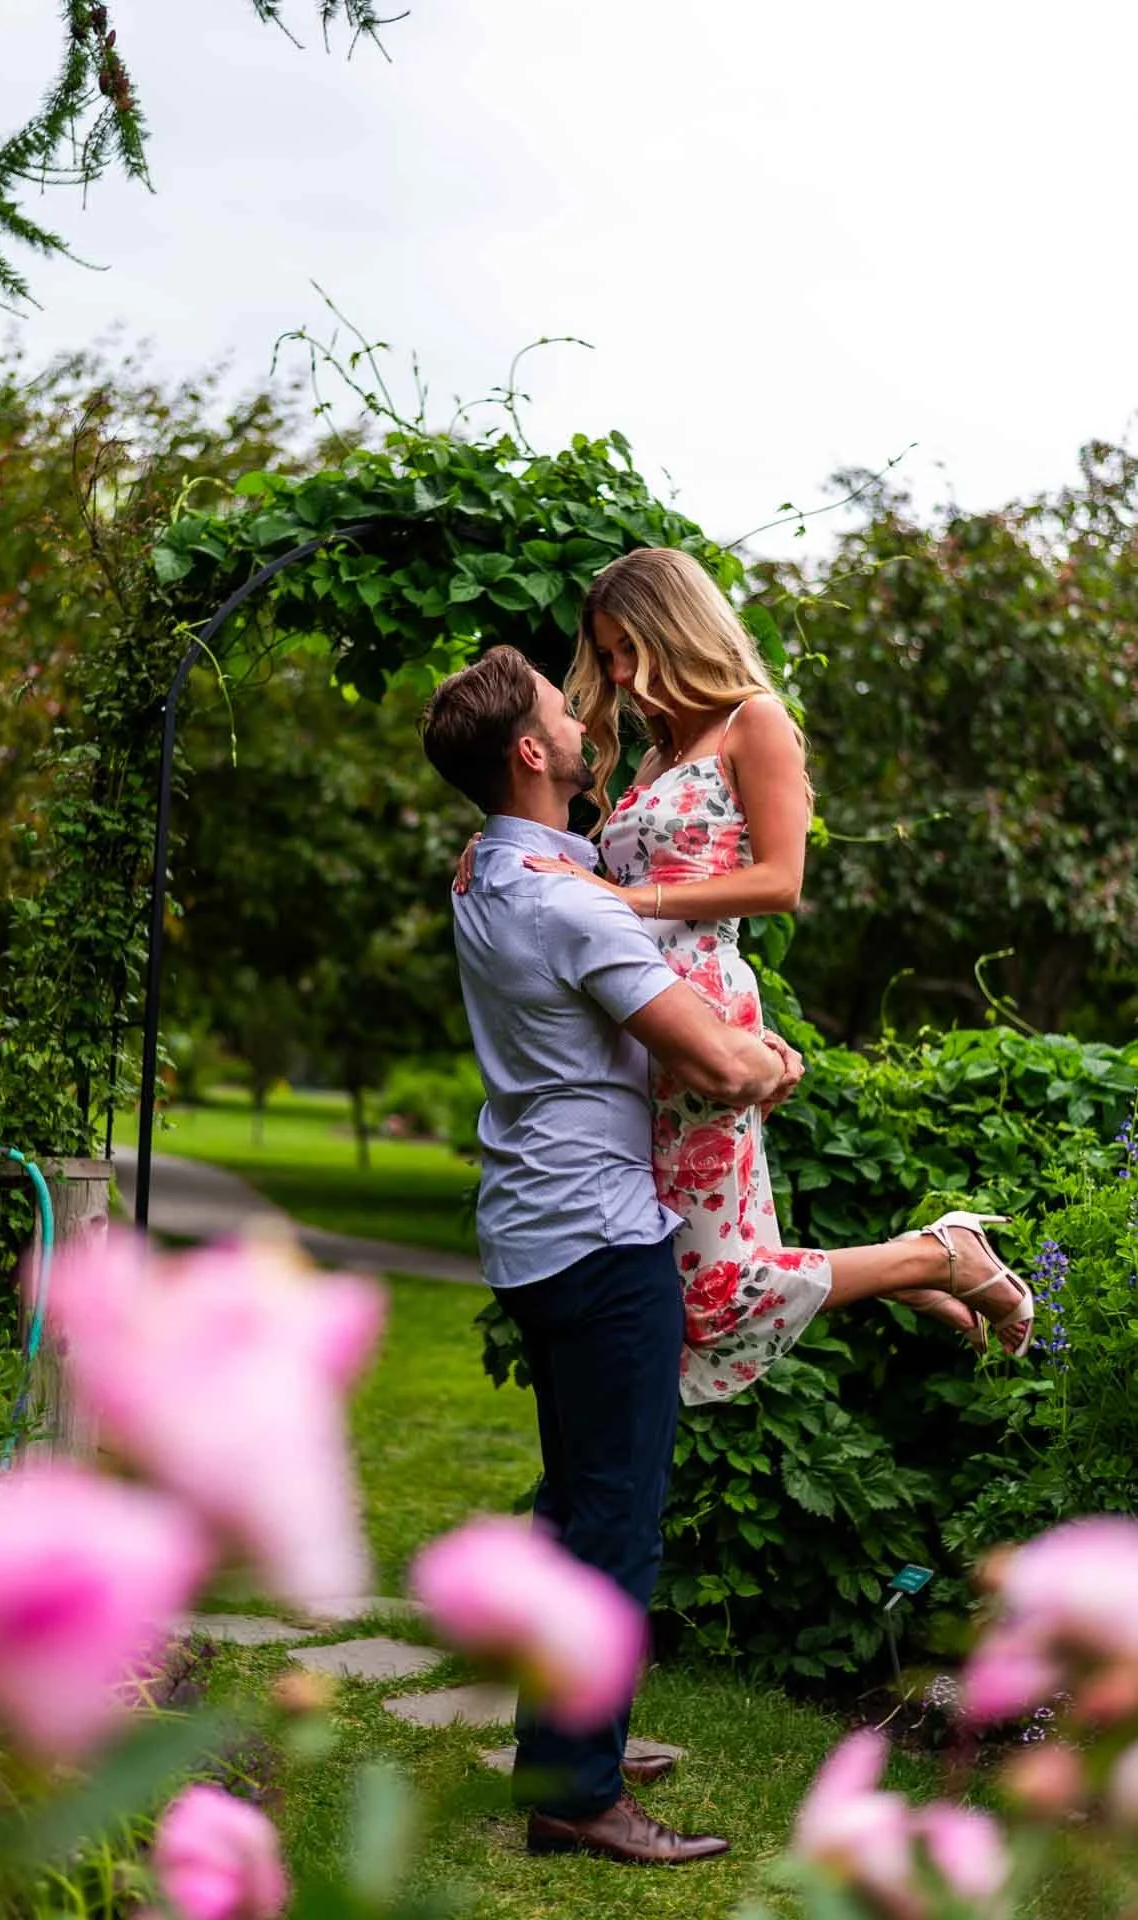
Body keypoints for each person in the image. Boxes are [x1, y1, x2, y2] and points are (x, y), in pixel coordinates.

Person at [457, 548, 1035, 1404]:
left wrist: (634, 898)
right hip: (639, 1020)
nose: (618, 674)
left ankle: (934, 1258)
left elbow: (780, 881)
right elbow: (591, 878)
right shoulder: (656, 753)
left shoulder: (753, 723)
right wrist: (503, 844)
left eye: (629, 648)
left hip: (700, 1007)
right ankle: (906, 1270)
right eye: (607, 655)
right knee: (686, 1272)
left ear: (676, 629)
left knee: (711, 1289)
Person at [421, 643, 800, 1866]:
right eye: (562, 711)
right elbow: (718, 1063)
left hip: (532, 1232)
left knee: (572, 1504)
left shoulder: (493, 870)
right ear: (530, 751)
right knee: (613, 1523)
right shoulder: (566, 904)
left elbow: (551, 850)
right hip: (598, 1239)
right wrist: (772, 1062)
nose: (587, 720)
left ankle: (565, 1743)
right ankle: (577, 1795)